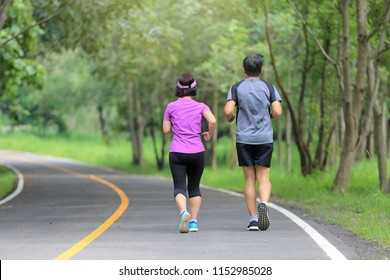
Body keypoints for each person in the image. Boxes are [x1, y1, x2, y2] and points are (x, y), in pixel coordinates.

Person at [224, 54, 282, 231]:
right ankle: (263, 203)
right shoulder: (268, 87)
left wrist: (231, 117)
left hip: (244, 138)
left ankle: (253, 220)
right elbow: (278, 111)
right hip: (264, 138)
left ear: (244, 70)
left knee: (249, 180)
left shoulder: (237, 87)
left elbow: (227, 110)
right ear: (261, 70)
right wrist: (269, 115)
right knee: (264, 178)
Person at [163, 73, 217, 233]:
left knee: (179, 186)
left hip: (177, 152)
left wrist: (177, 127)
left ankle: (183, 212)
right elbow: (212, 120)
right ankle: (193, 222)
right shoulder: (201, 106)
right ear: (194, 88)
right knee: (194, 187)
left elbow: (166, 130)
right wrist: (208, 133)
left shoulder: (171, 106)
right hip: (197, 152)